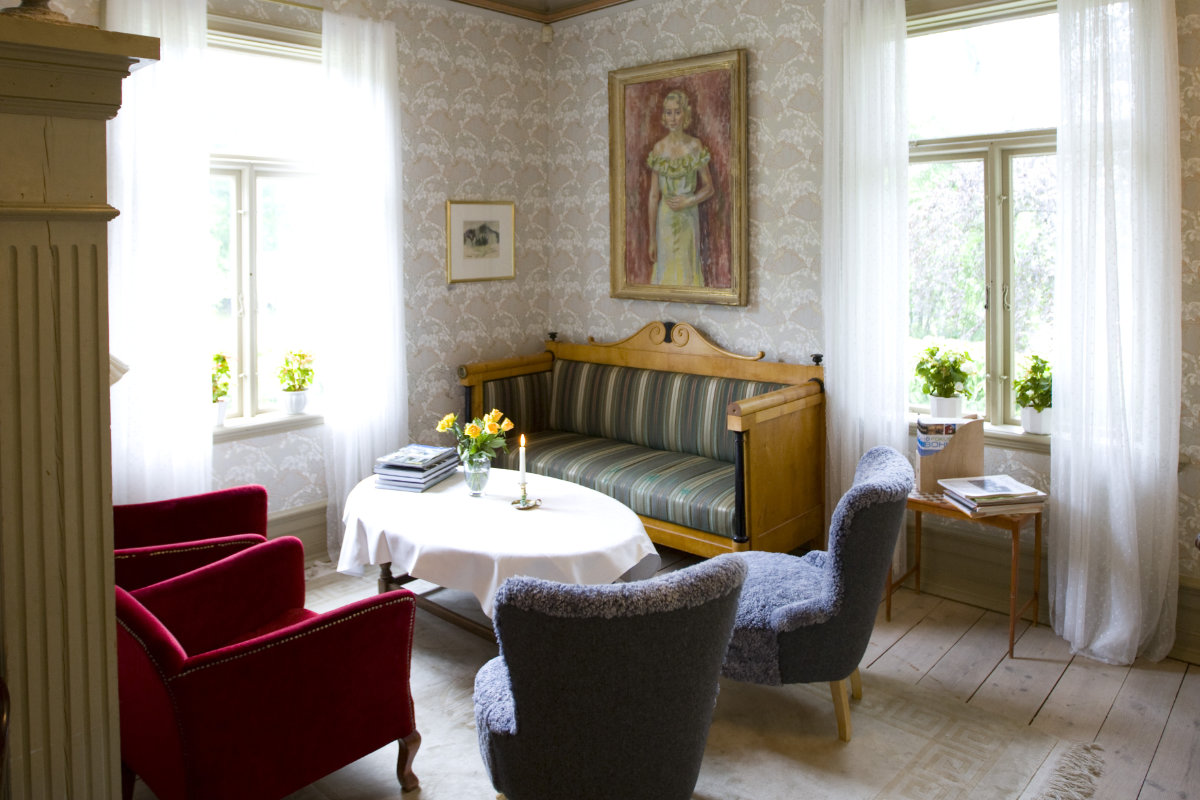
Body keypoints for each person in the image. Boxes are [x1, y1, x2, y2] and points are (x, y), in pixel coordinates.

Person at [647, 89, 714, 286]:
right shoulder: (659, 148)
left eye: (677, 112)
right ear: (664, 117)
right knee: (665, 272)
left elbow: (709, 188)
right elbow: (653, 196)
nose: (673, 117)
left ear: (685, 114)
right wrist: (652, 238)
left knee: (686, 272)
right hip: (665, 219)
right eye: (668, 112)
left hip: (688, 218)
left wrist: (689, 200)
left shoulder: (695, 146)